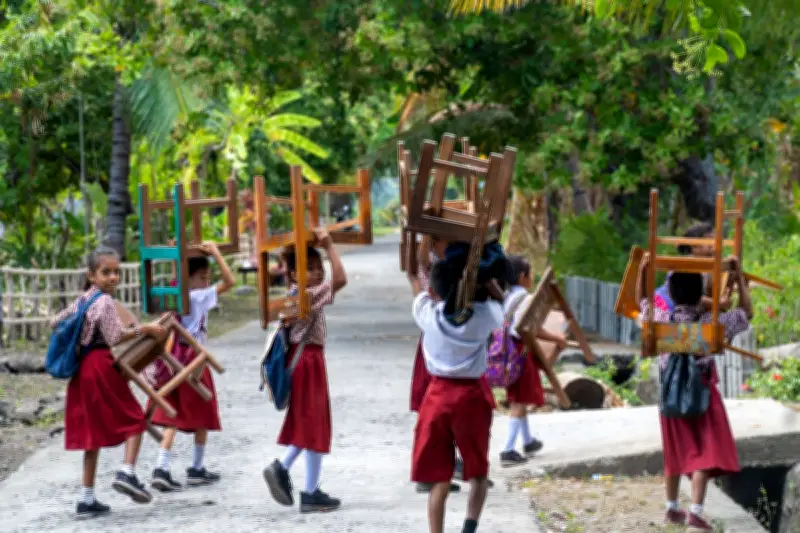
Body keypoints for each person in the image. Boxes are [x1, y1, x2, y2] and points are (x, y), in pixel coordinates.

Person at [51, 247, 167, 518]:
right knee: (135, 418)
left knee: (92, 434)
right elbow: (114, 337)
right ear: (91, 275)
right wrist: (145, 329)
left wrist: (78, 337)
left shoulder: (82, 300)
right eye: (106, 272)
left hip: (82, 370)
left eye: (116, 272)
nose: (113, 277)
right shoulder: (103, 301)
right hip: (101, 365)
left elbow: (55, 321)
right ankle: (127, 472)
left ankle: (86, 499)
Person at [639, 258, 752, 531]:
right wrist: (739, 279)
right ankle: (696, 512)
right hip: (702, 395)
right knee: (704, 452)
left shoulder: (661, 319)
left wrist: (643, 270)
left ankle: (672, 507)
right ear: (700, 293)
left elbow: (642, 300)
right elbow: (746, 312)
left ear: (671, 292)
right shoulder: (712, 324)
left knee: (675, 450)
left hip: (670, 395)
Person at [408, 242, 509, 533]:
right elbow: (502, 304)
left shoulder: (428, 315)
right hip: (471, 398)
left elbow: (416, 279)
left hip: (437, 399)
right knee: (478, 471)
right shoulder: (484, 316)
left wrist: (420, 248)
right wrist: (486, 282)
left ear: (434, 291)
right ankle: (469, 527)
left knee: (439, 479)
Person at [262, 227, 348, 513]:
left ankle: (310, 490)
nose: (318, 272)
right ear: (294, 274)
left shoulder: (293, 294)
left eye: (318, 266)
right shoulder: (307, 296)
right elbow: (341, 280)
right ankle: (283, 467)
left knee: (312, 423)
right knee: (313, 423)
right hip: (307, 361)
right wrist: (330, 246)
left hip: (302, 361)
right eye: (309, 268)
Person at [148, 242, 236, 492]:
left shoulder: (177, 292)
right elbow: (230, 282)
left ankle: (162, 467)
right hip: (193, 360)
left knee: (172, 415)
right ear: (189, 278)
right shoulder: (198, 297)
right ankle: (195, 467)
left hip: (172, 358)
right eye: (203, 277)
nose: (207, 283)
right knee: (203, 413)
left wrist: (177, 254)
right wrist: (216, 253)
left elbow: (179, 275)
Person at [499, 256, 567, 467]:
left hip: (509, 351)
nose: (532, 277)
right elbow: (533, 329)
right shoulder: (526, 299)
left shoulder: (507, 296)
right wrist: (557, 338)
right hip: (521, 352)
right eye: (530, 273)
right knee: (519, 401)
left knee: (521, 396)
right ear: (522, 277)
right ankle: (508, 449)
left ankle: (528, 441)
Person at [639, 223, 733, 314]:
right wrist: (718, 303)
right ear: (694, 246)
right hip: (665, 304)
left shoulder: (711, 265)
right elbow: (689, 297)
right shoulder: (686, 264)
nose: (715, 245)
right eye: (710, 241)